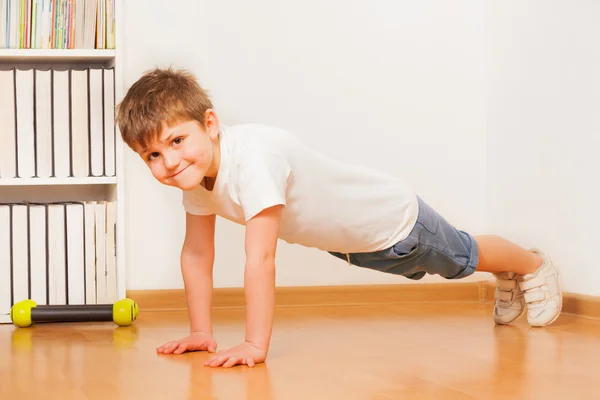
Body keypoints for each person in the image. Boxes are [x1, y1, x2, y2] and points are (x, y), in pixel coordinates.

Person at [115, 67, 562, 368]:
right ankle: (511, 269)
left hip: (394, 222)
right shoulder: (196, 181)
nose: (168, 162)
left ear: (210, 123)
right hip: (353, 246)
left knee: (462, 255)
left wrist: (255, 344)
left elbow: (261, 258)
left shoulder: (253, 159)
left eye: (176, 141)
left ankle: (530, 264)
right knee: (449, 264)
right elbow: (196, 253)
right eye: (152, 154)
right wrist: (200, 330)